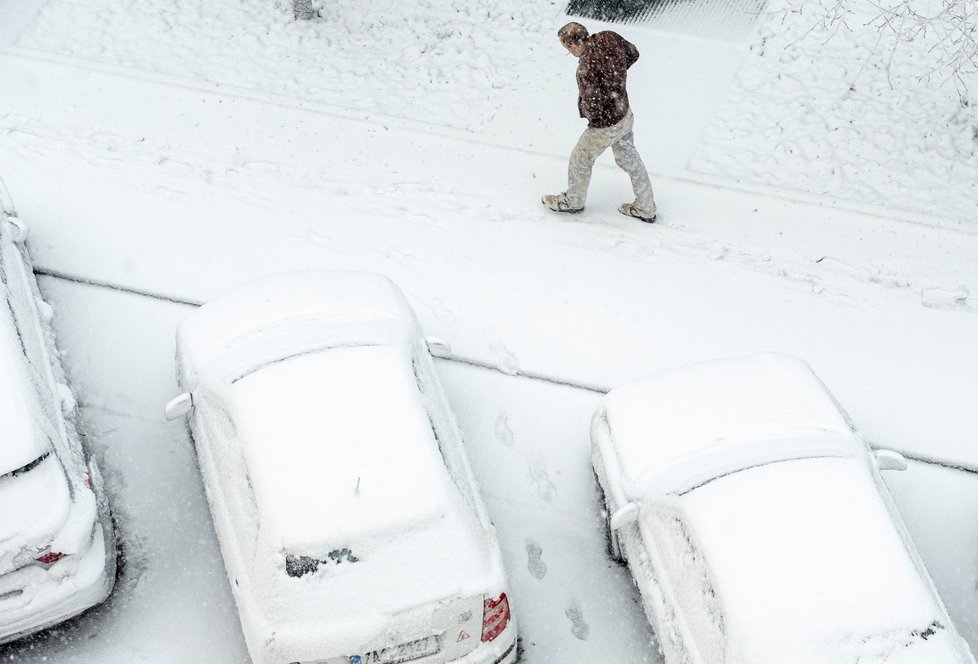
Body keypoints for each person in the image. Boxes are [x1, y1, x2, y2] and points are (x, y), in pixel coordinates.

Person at [542, 22, 657, 223]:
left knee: (581, 158)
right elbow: (633, 53)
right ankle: (646, 206)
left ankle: (573, 202)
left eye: (567, 48)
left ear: (574, 45)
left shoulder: (586, 68)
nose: (571, 53)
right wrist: (616, 78)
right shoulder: (609, 37)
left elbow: (593, 107)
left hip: (606, 125)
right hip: (624, 112)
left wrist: (592, 115)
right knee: (629, 158)